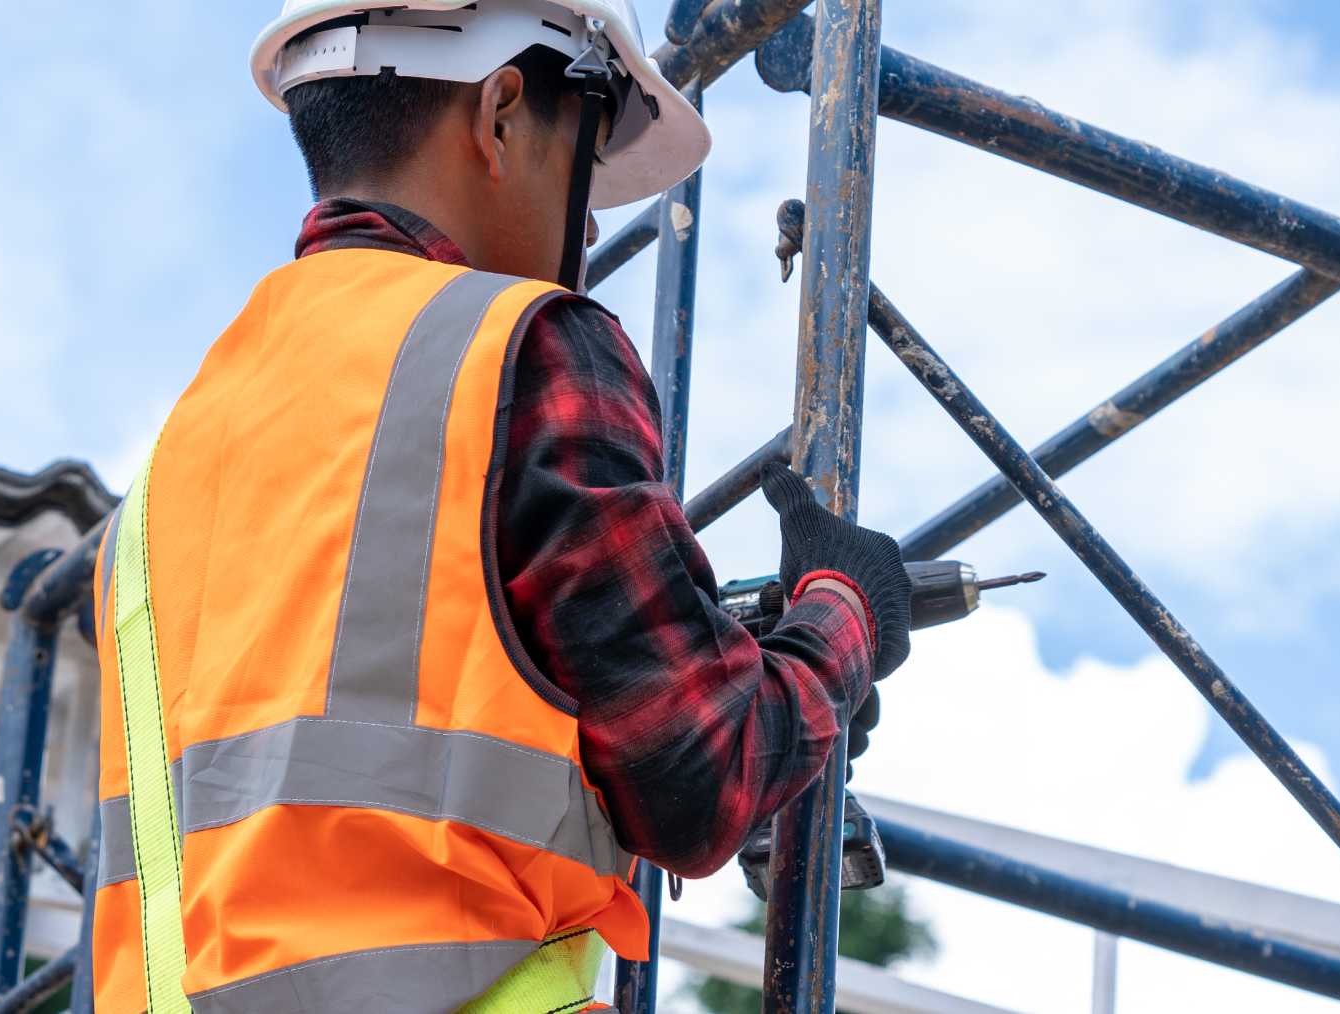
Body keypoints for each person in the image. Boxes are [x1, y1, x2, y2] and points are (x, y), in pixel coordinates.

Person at [87, 3, 912, 1012]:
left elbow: (381, 729)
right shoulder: (520, 346)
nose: (596, 223)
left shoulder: (175, 459)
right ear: (505, 113)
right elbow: (701, 776)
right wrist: (845, 611)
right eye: (588, 151)